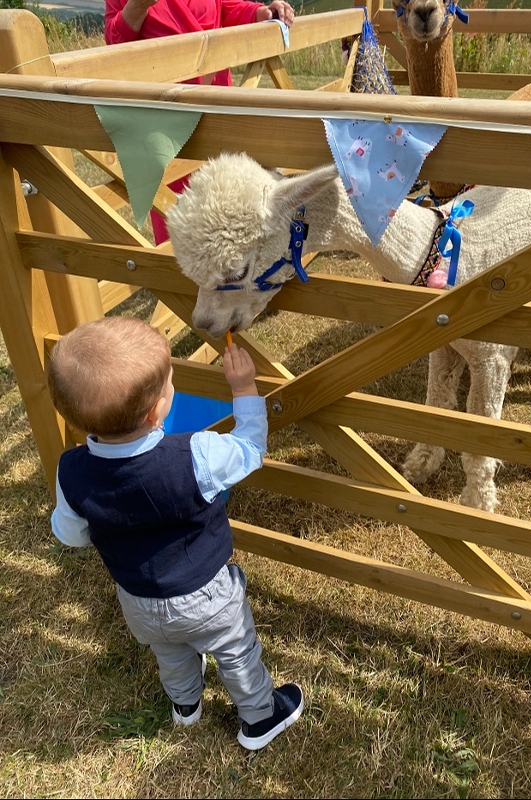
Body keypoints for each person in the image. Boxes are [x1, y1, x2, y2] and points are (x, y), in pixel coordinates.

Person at [47, 316, 303, 751]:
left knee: (169, 651)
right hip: (207, 595)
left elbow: (71, 534)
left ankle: (185, 706)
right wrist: (243, 390)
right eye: (169, 383)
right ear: (156, 410)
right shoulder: (195, 455)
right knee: (236, 651)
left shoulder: (71, 469)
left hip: (137, 598)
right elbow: (249, 449)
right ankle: (260, 717)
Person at [104, 0, 296, 243]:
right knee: (175, 209)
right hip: (164, 119)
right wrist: (137, 7)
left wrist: (261, 12)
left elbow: (226, 8)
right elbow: (114, 45)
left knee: (224, 197)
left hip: (215, 107)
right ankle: (178, 271)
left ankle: (230, 270)